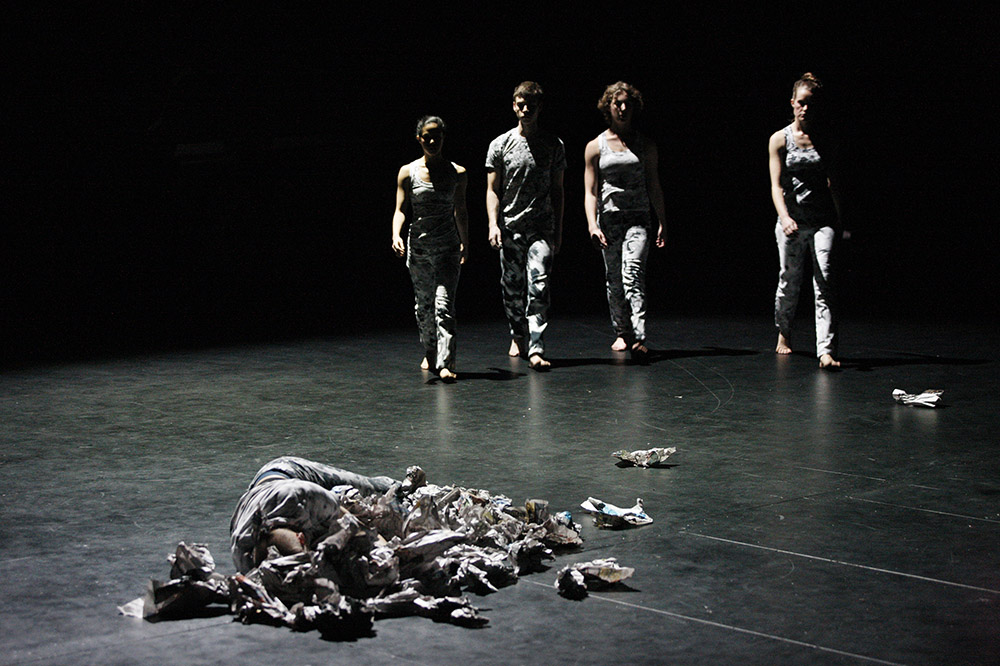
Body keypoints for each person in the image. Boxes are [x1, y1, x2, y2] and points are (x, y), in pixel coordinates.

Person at [486, 81, 566, 370]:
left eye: (531, 104)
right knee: (512, 287)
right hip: (510, 228)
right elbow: (492, 189)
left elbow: (558, 191)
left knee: (539, 285)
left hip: (540, 229)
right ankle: (517, 333)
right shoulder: (500, 144)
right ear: (514, 106)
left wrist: (557, 231)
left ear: (539, 107)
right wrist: (493, 225)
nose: (526, 109)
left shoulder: (553, 145)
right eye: (521, 104)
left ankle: (536, 347)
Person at [584, 81, 667, 356]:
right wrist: (592, 224)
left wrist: (662, 221)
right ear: (608, 107)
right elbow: (590, 190)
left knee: (633, 273)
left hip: (638, 219)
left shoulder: (645, 145)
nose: (622, 108)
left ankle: (638, 336)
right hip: (609, 221)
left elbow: (654, 184)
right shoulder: (595, 146)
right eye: (616, 103)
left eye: (626, 104)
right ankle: (622, 332)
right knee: (614, 278)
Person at [768, 73, 841, 369]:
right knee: (789, 282)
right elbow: (775, 185)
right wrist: (784, 216)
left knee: (824, 281)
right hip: (792, 222)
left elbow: (834, 183)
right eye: (801, 102)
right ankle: (784, 333)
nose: (805, 108)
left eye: (811, 103)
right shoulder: (780, 139)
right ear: (792, 103)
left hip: (822, 221)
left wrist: (841, 221)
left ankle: (825, 349)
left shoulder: (826, 140)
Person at [392, 116, 470, 381]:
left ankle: (447, 363)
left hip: (447, 248)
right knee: (424, 307)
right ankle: (430, 351)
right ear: (419, 139)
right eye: (427, 136)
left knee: (444, 306)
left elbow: (461, 210)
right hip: (420, 251)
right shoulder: (407, 172)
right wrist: (396, 234)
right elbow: (400, 210)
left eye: (437, 135)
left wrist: (465, 242)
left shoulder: (457, 173)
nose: (433, 141)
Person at [230, 456, 399, 573]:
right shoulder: (245, 556)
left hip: (288, 472)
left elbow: (358, 527)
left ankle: (395, 485)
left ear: (302, 537)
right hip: (258, 497)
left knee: (376, 490)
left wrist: (386, 555)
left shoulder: (303, 496)